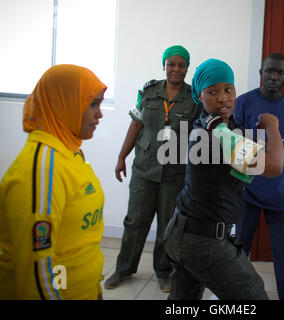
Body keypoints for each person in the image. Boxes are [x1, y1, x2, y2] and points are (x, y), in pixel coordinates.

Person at [163, 58, 284, 300]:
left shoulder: (219, 126)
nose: (223, 97)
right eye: (212, 92)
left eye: (228, 90)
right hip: (204, 242)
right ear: (199, 96)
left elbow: (261, 158)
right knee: (253, 295)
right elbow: (274, 166)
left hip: (186, 235)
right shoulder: (219, 133)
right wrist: (272, 126)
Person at [0, 64, 107, 299]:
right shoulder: (41, 170)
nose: (99, 113)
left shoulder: (69, 153)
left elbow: (78, 241)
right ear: (64, 104)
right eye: (93, 104)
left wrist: (94, 289)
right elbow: (38, 274)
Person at [104, 45, 201, 292]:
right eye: (171, 64)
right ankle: (123, 269)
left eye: (181, 65)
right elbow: (135, 125)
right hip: (144, 169)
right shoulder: (148, 92)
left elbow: (199, 137)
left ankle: (164, 272)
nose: (176, 69)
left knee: (168, 224)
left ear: (187, 68)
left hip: (175, 173)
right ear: (164, 66)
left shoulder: (195, 98)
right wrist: (121, 157)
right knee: (135, 221)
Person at [234, 53, 284, 300]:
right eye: (269, 71)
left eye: (279, 72)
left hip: (282, 194)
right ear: (261, 72)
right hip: (247, 191)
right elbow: (233, 146)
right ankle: (228, 296)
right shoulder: (244, 103)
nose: (274, 76)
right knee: (236, 251)